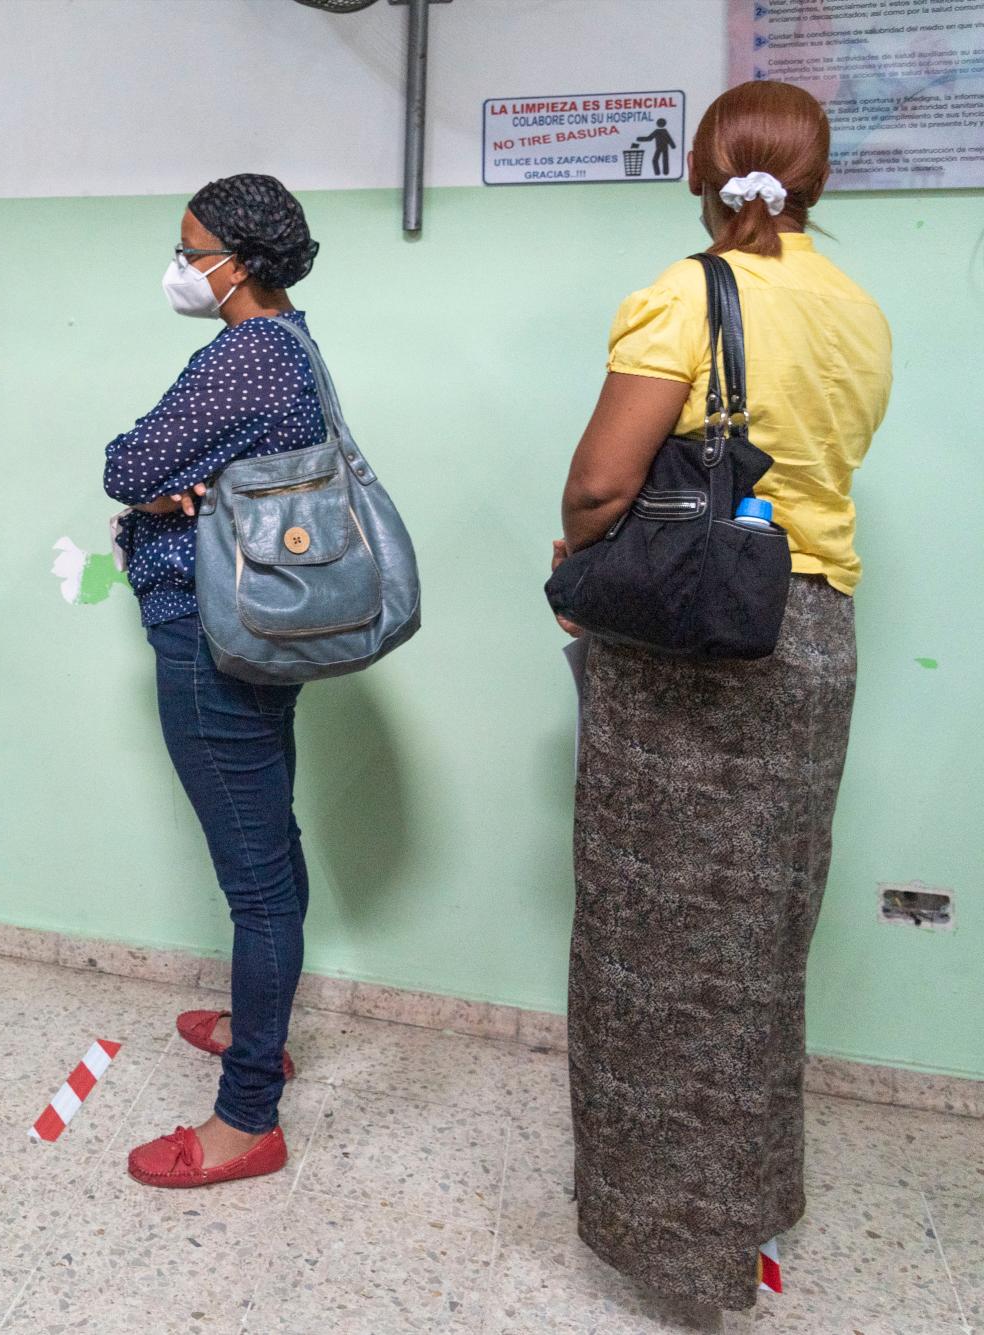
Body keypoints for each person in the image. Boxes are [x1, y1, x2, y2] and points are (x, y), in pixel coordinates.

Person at [553, 81, 891, 1310]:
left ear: (701, 167)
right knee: (754, 948)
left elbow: (599, 486)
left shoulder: (688, 292)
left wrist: (575, 559)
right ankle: (747, 1204)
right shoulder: (857, 311)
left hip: (691, 651)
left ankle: (674, 1258)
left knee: (650, 951)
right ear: (814, 184)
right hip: (810, 642)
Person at [103, 175, 325, 1189]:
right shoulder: (292, 342)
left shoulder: (242, 358)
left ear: (238, 260)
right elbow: (181, 471)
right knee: (269, 845)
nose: (181, 266)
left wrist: (148, 482)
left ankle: (247, 1118)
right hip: (254, 631)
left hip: (209, 637)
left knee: (255, 883)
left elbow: (126, 460)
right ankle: (257, 1027)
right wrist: (168, 484)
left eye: (191, 249)